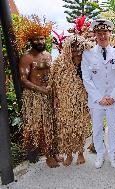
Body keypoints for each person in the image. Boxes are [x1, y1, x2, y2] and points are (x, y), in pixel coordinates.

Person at [81, 19, 115, 168]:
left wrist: (113, 96)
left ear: (110, 34)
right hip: (96, 101)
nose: (102, 37)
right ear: (95, 35)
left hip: (113, 100)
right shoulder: (87, 54)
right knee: (97, 128)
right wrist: (99, 98)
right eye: (99, 34)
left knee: (113, 128)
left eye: (105, 33)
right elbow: (86, 79)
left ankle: (112, 155)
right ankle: (100, 155)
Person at [17, 16, 59, 168]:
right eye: (36, 39)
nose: (40, 41)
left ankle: (53, 152)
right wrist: (41, 90)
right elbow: (23, 79)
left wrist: (53, 92)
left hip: (49, 94)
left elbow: (52, 74)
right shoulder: (26, 57)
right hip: (35, 97)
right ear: (30, 40)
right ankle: (48, 156)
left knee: (53, 124)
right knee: (42, 127)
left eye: (42, 38)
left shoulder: (48, 54)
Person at [48, 35, 91, 166]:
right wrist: (55, 97)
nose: (76, 50)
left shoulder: (86, 62)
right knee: (65, 126)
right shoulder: (59, 63)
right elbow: (53, 82)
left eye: (79, 47)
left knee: (80, 126)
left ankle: (80, 153)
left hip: (81, 99)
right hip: (64, 100)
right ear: (68, 48)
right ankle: (68, 154)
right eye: (73, 47)